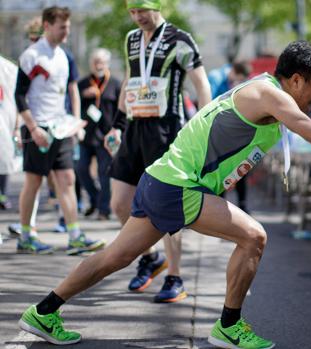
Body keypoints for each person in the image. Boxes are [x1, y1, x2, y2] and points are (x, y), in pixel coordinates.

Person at [17, 40, 311, 349]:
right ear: (295, 80)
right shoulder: (270, 95)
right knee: (254, 236)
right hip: (178, 186)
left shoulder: (264, 93)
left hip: (161, 180)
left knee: (114, 258)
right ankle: (228, 325)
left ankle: (44, 311)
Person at [104, 0, 211, 303]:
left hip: (166, 129)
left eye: (142, 10)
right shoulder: (131, 38)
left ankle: (174, 275)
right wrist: (117, 124)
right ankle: (150, 257)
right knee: (120, 202)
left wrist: (204, 129)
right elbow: (129, 79)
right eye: (132, 12)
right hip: (135, 127)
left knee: (166, 205)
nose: (138, 17)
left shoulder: (180, 39)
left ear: (158, 6)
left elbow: (201, 85)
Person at [14, 6, 104, 255]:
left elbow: (73, 88)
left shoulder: (66, 57)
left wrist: (75, 122)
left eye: (68, 26)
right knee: (33, 182)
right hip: (38, 128)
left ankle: (74, 234)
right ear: (47, 26)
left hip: (61, 128)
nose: (67, 31)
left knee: (67, 179)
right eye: (62, 27)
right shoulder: (32, 55)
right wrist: (32, 128)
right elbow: (19, 96)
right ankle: (26, 236)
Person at [76, 48, 121, 221]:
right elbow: (73, 104)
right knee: (81, 169)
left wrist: (117, 130)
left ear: (107, 64)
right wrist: (83, 95)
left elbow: (121, 110)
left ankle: (104, 210)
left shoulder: (115, 84)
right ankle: (95, 199)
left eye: (101, 62)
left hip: (106, 136)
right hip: (86, 135)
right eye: (95, 62)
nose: (98, 65)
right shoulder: (82, 84)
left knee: (104, 173)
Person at [208, 61, 252, 212]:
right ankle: (220, 204)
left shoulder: (237, 80)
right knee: (222, 168)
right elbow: (210, 102)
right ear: (233, 71)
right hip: (218, 131)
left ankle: (243, 204)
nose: (238, 82)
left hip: (235, 132)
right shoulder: (216, 77)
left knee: (241, 167)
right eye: (237, 78)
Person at [0, 54, 18, 210]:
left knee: (4, 159)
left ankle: (2, 194)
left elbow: (16, 100)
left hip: (4, 125)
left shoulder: (7, 69)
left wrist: (17, 127)